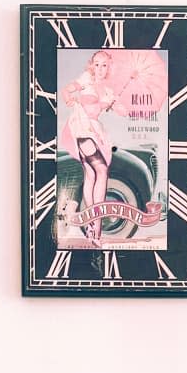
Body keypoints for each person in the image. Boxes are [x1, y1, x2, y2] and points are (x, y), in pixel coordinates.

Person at [60, 50, 116, 244]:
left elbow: (122, 110)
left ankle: (93, 228)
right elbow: (68, 88)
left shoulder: (108, 90)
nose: (100, 69)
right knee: (101, 170)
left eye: (104, 65)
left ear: (109, 67)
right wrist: (68, 97)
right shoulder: (87, 79)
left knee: (91, 174)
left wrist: (112, 103)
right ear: (92, 66)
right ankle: (95, 226)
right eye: (97, 64)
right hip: (82, 128)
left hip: (95, 131)